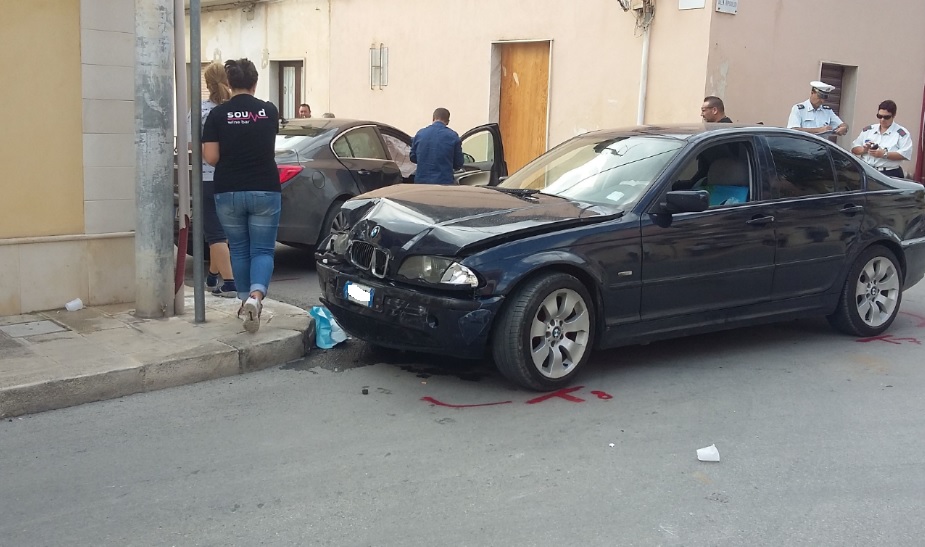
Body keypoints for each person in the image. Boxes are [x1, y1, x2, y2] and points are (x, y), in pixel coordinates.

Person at [202, 58, 281, 333]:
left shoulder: (217, 115)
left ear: (229, 83)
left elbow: (211, 157)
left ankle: (244, 299)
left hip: (228, 189)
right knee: (262, 249)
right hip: (265, 188)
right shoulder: (269, 111)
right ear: (255, 83)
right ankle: (257, 298)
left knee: (238, 248)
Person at [186, 62, 236, 297]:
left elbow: (189, 144)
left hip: (207, 178)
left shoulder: (200, 111)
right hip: (233, 177)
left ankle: (229, 282)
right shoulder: (234, 110)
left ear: (207, 84)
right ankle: (213, 276)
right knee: (224, 231)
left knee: (215, 233)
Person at [850, 100, 914, 178]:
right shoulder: (869, 130)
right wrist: (864, 150)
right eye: (879, 116)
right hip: (867, 171)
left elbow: (905, 154)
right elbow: (854, 148)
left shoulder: (901, 133)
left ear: (894, 116)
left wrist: (884, 154)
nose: (882, 119)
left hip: (889, 173)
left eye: (886, 117)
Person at [409, 107, 464, 184]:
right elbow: (458, 163)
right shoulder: (453, 136)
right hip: (443, 183)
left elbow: (412, 157)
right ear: (448, 121)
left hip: (421, 182)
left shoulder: (420, 134)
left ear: (433, 118)